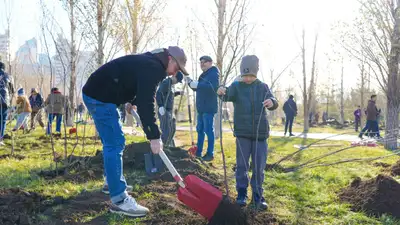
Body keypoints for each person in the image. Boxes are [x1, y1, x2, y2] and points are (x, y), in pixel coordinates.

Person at [81, 46, 188, 217]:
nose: (174, 73)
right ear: (170, 59)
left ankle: (111, 183)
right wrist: (154, 136)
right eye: (176, 68)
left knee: (113, 143)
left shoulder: (151, 62)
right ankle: (119, 199)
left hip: (100, 93)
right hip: (100, 97)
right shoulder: (154, 68)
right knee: (114, 144)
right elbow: (147, 102)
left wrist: (131, 101)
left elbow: (134, 81)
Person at [217, 55, 278, 210]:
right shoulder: (237, 87)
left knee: (258, 167)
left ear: (256, 73)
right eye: (245, 76)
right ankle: (242, 194)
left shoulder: (263, 87)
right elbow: (226, 95)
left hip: (260, 135)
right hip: (242, 134)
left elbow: (273, 101)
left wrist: (272, 102)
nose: (248, 79)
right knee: (242, 166)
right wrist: (221, 91)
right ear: (241, 74)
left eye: (251, 75)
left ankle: (258, 196)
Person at [186, 55, 219, 161]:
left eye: (204, 62)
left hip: (209, 107)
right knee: (200, 130)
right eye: (200, 62)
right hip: (200, 108)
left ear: (210, 63)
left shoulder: (214, 73)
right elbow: (198, 88)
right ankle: (198, 152)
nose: (202, 64)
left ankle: (210, 154)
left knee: (209, 130)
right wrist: (190, 83)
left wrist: (198, 85)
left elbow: (213, 87)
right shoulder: (202, 75)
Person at [156, 71, 184, 147]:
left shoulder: (171, 85)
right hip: (164, 110)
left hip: (169, 111)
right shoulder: (166, 83)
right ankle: (164, 147)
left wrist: (178, 93)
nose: (177, 82)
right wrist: (160, 106)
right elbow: (158, 93)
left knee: (172, 129)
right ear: (174, 76)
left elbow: (169, 95)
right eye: (177, 80)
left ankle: (169, 144)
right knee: (166, 130)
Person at [0, 61, 14, 145]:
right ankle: (0, 139)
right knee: (2, 121)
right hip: (4, 101)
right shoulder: (7, 76)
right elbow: (12, 90)